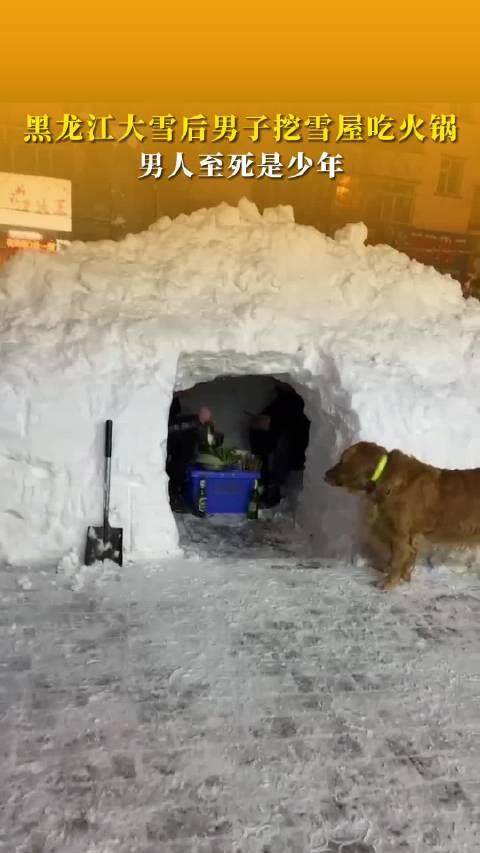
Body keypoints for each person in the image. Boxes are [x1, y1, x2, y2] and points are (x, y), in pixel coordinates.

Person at [249, 382, 310, 507]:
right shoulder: (282, 399)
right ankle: (264, 483)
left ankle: (274, 486)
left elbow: (297, 424)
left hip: (294, 450)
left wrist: (272, 424)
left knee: (282, 440)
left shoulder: (299, 400)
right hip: (276, 441)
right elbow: (271, 415)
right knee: (259, 434)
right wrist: (260, 421)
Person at [167, 394, 222, 511]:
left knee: (185, 451)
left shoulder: (176, 402)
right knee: (179, 461)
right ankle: (173, 497)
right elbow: (166, 429)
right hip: (167, 453)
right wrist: (197, 421)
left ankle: (176, 494)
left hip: (179, 448)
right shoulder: (161, 397)